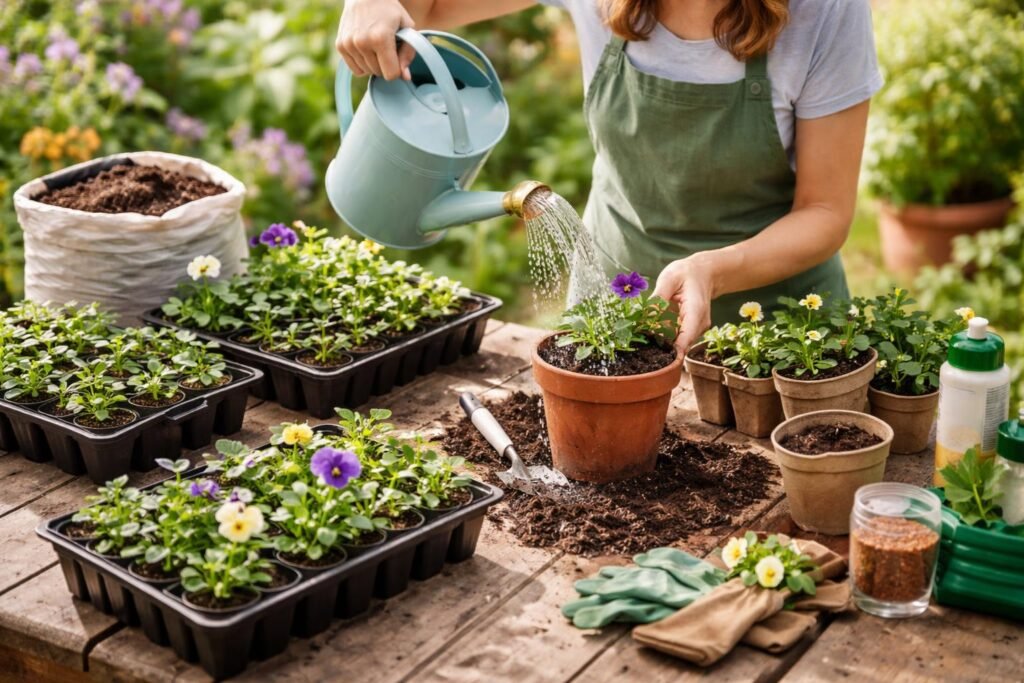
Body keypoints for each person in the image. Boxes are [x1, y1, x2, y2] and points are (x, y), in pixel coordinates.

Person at [336, 0, 882, 350]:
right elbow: (425, 6)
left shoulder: (825, 10)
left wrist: (713, 269)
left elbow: (826, 211)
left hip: (783, 331)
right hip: (612, 305)